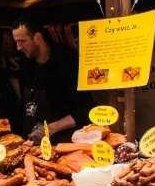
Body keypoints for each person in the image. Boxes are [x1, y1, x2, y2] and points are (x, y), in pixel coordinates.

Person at [12, 16, 95, 145]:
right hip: (30, 143)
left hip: (60, 143)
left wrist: (50, 128)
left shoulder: (67, 62)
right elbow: (24, 103)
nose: (18, 47)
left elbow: (86, 109)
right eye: (16, 42)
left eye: (22, 41)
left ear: (38, 37)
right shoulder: (25, 61)